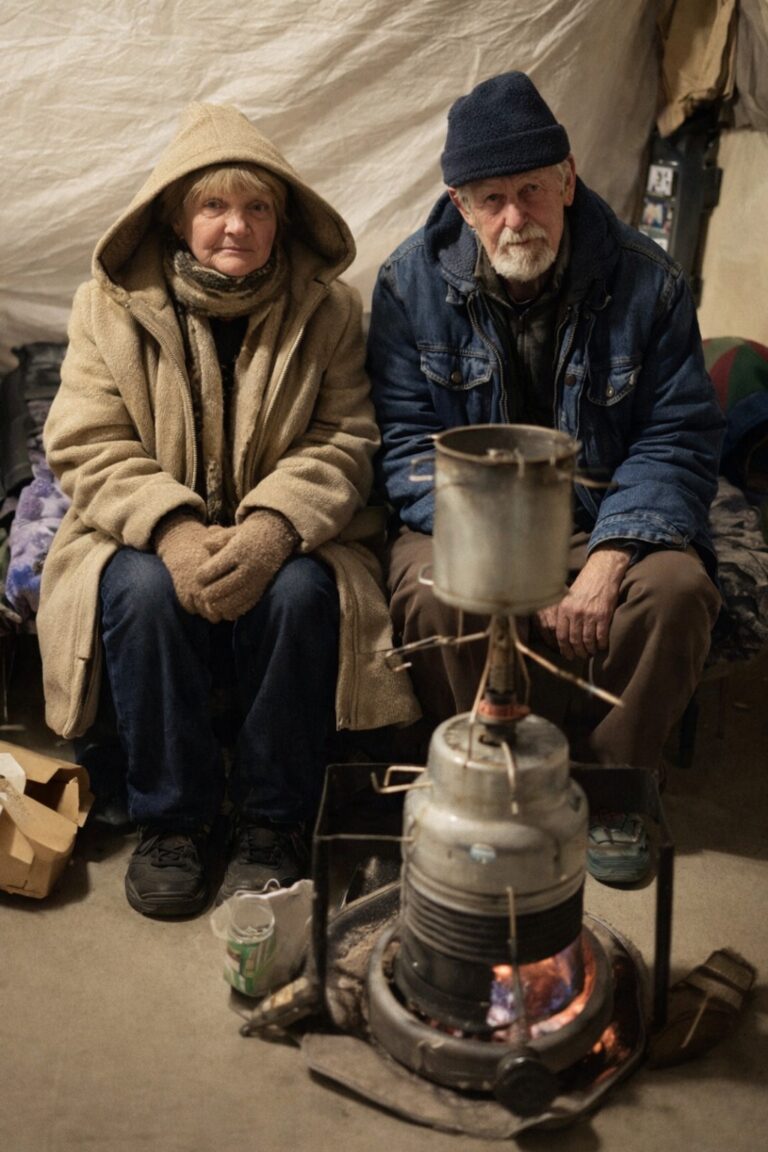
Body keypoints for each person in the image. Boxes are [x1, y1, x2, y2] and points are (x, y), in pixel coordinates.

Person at [38, 102, 418, 918]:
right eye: (213, 206)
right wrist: (175, 532)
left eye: (257, 208)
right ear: (177, 217)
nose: (235, 227)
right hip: (136, 534)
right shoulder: (107, 307)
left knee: (302, 595)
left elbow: (345, 437)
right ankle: (172, 821)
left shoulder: (331, 309)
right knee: (138, 591)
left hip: (292, 538)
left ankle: (272, 825)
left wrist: (272, 530)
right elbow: (86, 440)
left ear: (282, 221)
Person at [367, 71, 724, 780]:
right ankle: (484, 772)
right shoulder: (408, 284)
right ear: (461, 207)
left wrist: (613, 552)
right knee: (436, 592)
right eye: (491, 200)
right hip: (471, 515)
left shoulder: (650, 283)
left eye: (531, 189)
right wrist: (507, 559)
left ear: (567, 180)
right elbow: (405, 443)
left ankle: (609, 782)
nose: (514, 218)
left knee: (677, 591)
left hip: (604, 510)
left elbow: (677, 437)